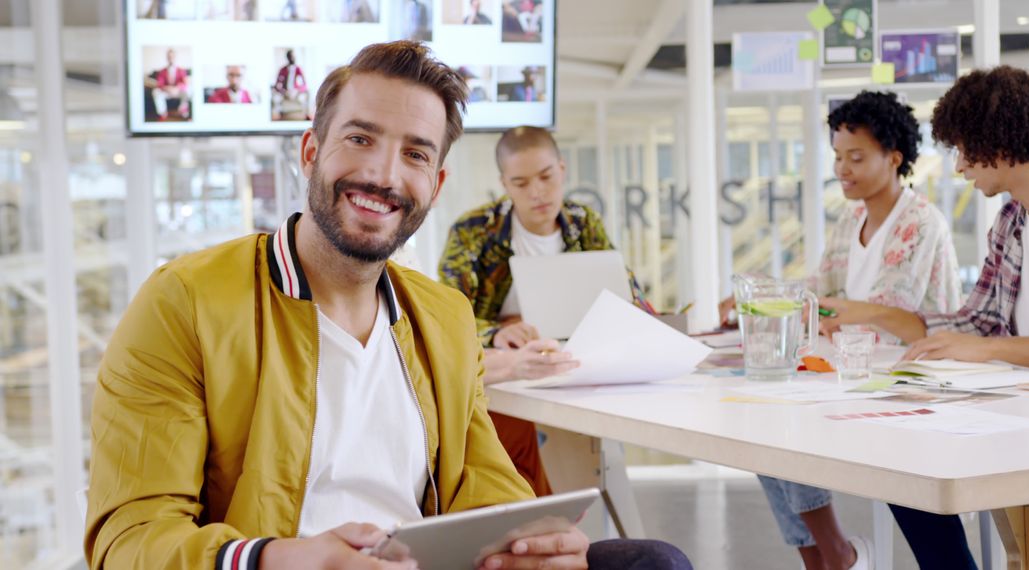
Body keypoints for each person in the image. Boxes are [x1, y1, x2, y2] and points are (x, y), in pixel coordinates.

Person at [86, 40, 690, 570]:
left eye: (416, 154)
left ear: (436, 185)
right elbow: (130, 538)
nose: (383, 174)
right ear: (310, 150)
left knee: (654, 560)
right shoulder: (185, 302)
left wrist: (534, 542)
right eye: (360, 139)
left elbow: (484, 485)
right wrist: (278, 557)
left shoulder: (444, 317)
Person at [821, 66, 1029, 569]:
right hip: (1024, 412)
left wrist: (987, 349)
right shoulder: (1011, 221)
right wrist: (917, 334)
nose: (959, 167)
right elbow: (976, 321)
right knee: (900, 456)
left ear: (999, 145)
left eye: (963, 150)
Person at [718, 91, 960, 570]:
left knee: (785, 420)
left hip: (911, 378)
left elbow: (887, 313)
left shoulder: (920, 222)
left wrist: (827, 312)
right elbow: (822, 288)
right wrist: (762, 293)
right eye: (837, 157)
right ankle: (824, 557)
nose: (842, 169)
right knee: (765, 423)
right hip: (861, 373)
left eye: (856, 157)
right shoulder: (852, 220)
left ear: (894, 159)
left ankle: (836, 555)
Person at [438, 126, 645, 496]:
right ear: (504, 184)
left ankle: (569, 508)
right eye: (520, 183)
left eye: (546, 177)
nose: (537, 192)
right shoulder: (473, 230)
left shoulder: (583, 223)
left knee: (589, 457)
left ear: (562, 169)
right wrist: (496, 332)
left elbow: (623, 293)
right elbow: (449, 314)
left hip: (571, 362)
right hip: (503, 372)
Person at [151, 47, 190, 121]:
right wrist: (167, 88)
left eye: (172, 56)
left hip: (178, 92)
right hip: (167, 92)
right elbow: (159, 84)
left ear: (175, 57)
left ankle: (182, 110)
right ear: (167, 57)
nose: (171, 58)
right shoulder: (162, 71)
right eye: (169, 56)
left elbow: (185, 83)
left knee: (189, 90)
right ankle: (162, 113)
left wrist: (177, 88)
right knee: (155, 91)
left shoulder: (181, 70)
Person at [272, 49, 309, 120]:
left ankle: (306, 116)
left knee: (305, 97)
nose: (292, 58)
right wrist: (284, 91)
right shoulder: (282, 70)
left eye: (294, 56)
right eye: (291, 56)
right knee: (276, 99)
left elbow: (304, 84)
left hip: (296, 93)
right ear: (287, 57)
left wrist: (297, 91)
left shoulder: (298, 69)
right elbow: (277, 85)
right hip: (284, 93)